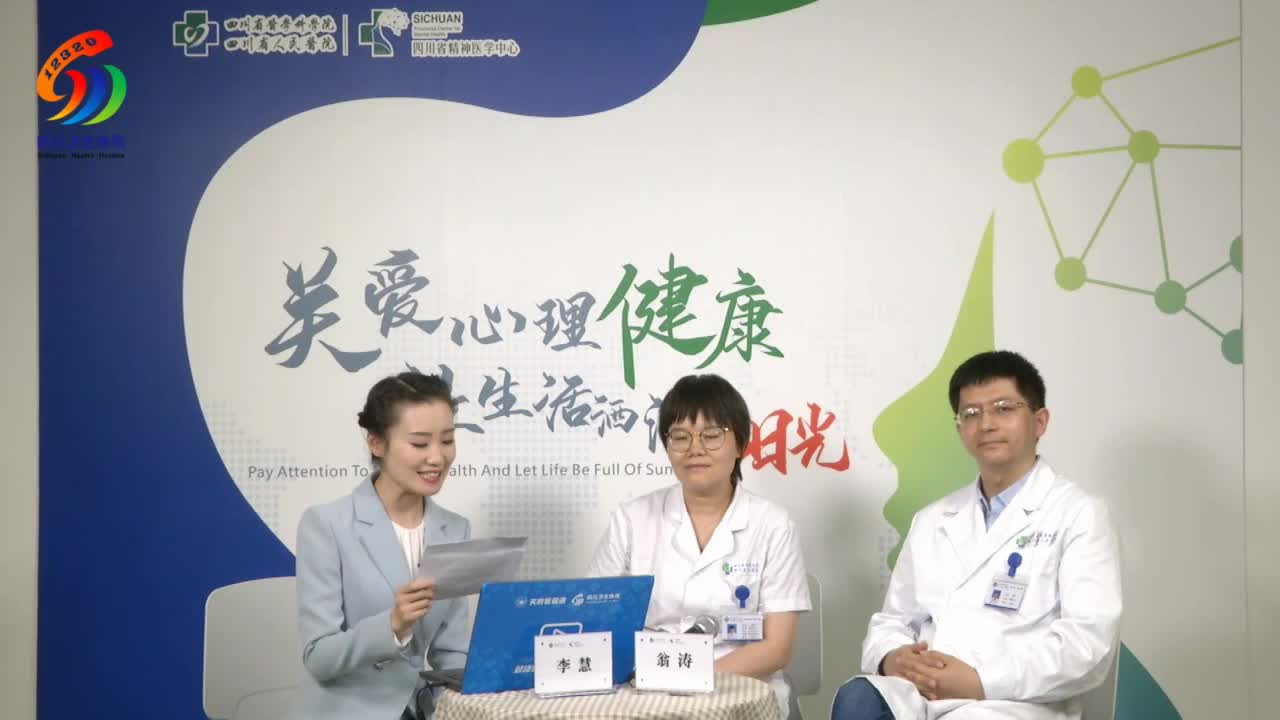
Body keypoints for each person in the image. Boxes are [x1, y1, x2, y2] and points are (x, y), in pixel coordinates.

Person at [831, 350, 1122, 720]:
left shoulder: (1079, 515)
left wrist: (980, 681)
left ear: (1040, 421)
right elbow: (893, 621)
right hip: (921, 695)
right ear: (959, 429)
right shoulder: (932, 519)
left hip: (1015, 702)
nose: (986, 424)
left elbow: (1086, 644)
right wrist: (893, 658)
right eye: (971, 413)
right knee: (858, 698)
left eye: (1003, 408)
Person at [588, 373, 811, 718]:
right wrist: (655, 678)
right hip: (643, 689)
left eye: (712, 435)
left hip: (738, 689)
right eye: (680, 436)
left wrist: (687, 679)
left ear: (740, 444)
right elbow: (596, 619)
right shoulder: (631, 518)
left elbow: (776, 648)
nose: (695, 448)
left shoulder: (773, 524)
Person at [295, 372, 472, 720]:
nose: (437, 458)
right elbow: (319, 657)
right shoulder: (327, 525)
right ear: (377, 444)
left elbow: (452, 653)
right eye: (420, 444)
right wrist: (392, 624)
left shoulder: (454, 529)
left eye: (447, 440)